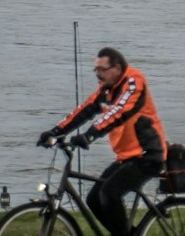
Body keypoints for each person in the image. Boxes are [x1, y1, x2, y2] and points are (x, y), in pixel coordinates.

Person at [39, 47, 167, 236]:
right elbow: (84, 110)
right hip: (126, 157)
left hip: (148, 156)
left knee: (109, 192)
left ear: (116, 67)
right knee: (93, 199)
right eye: (95, 70)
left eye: (102, 69)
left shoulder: (133, 82)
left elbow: (119, 112)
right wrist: (55, 132)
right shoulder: (107, 89)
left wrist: (89, 135)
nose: (97, 74)